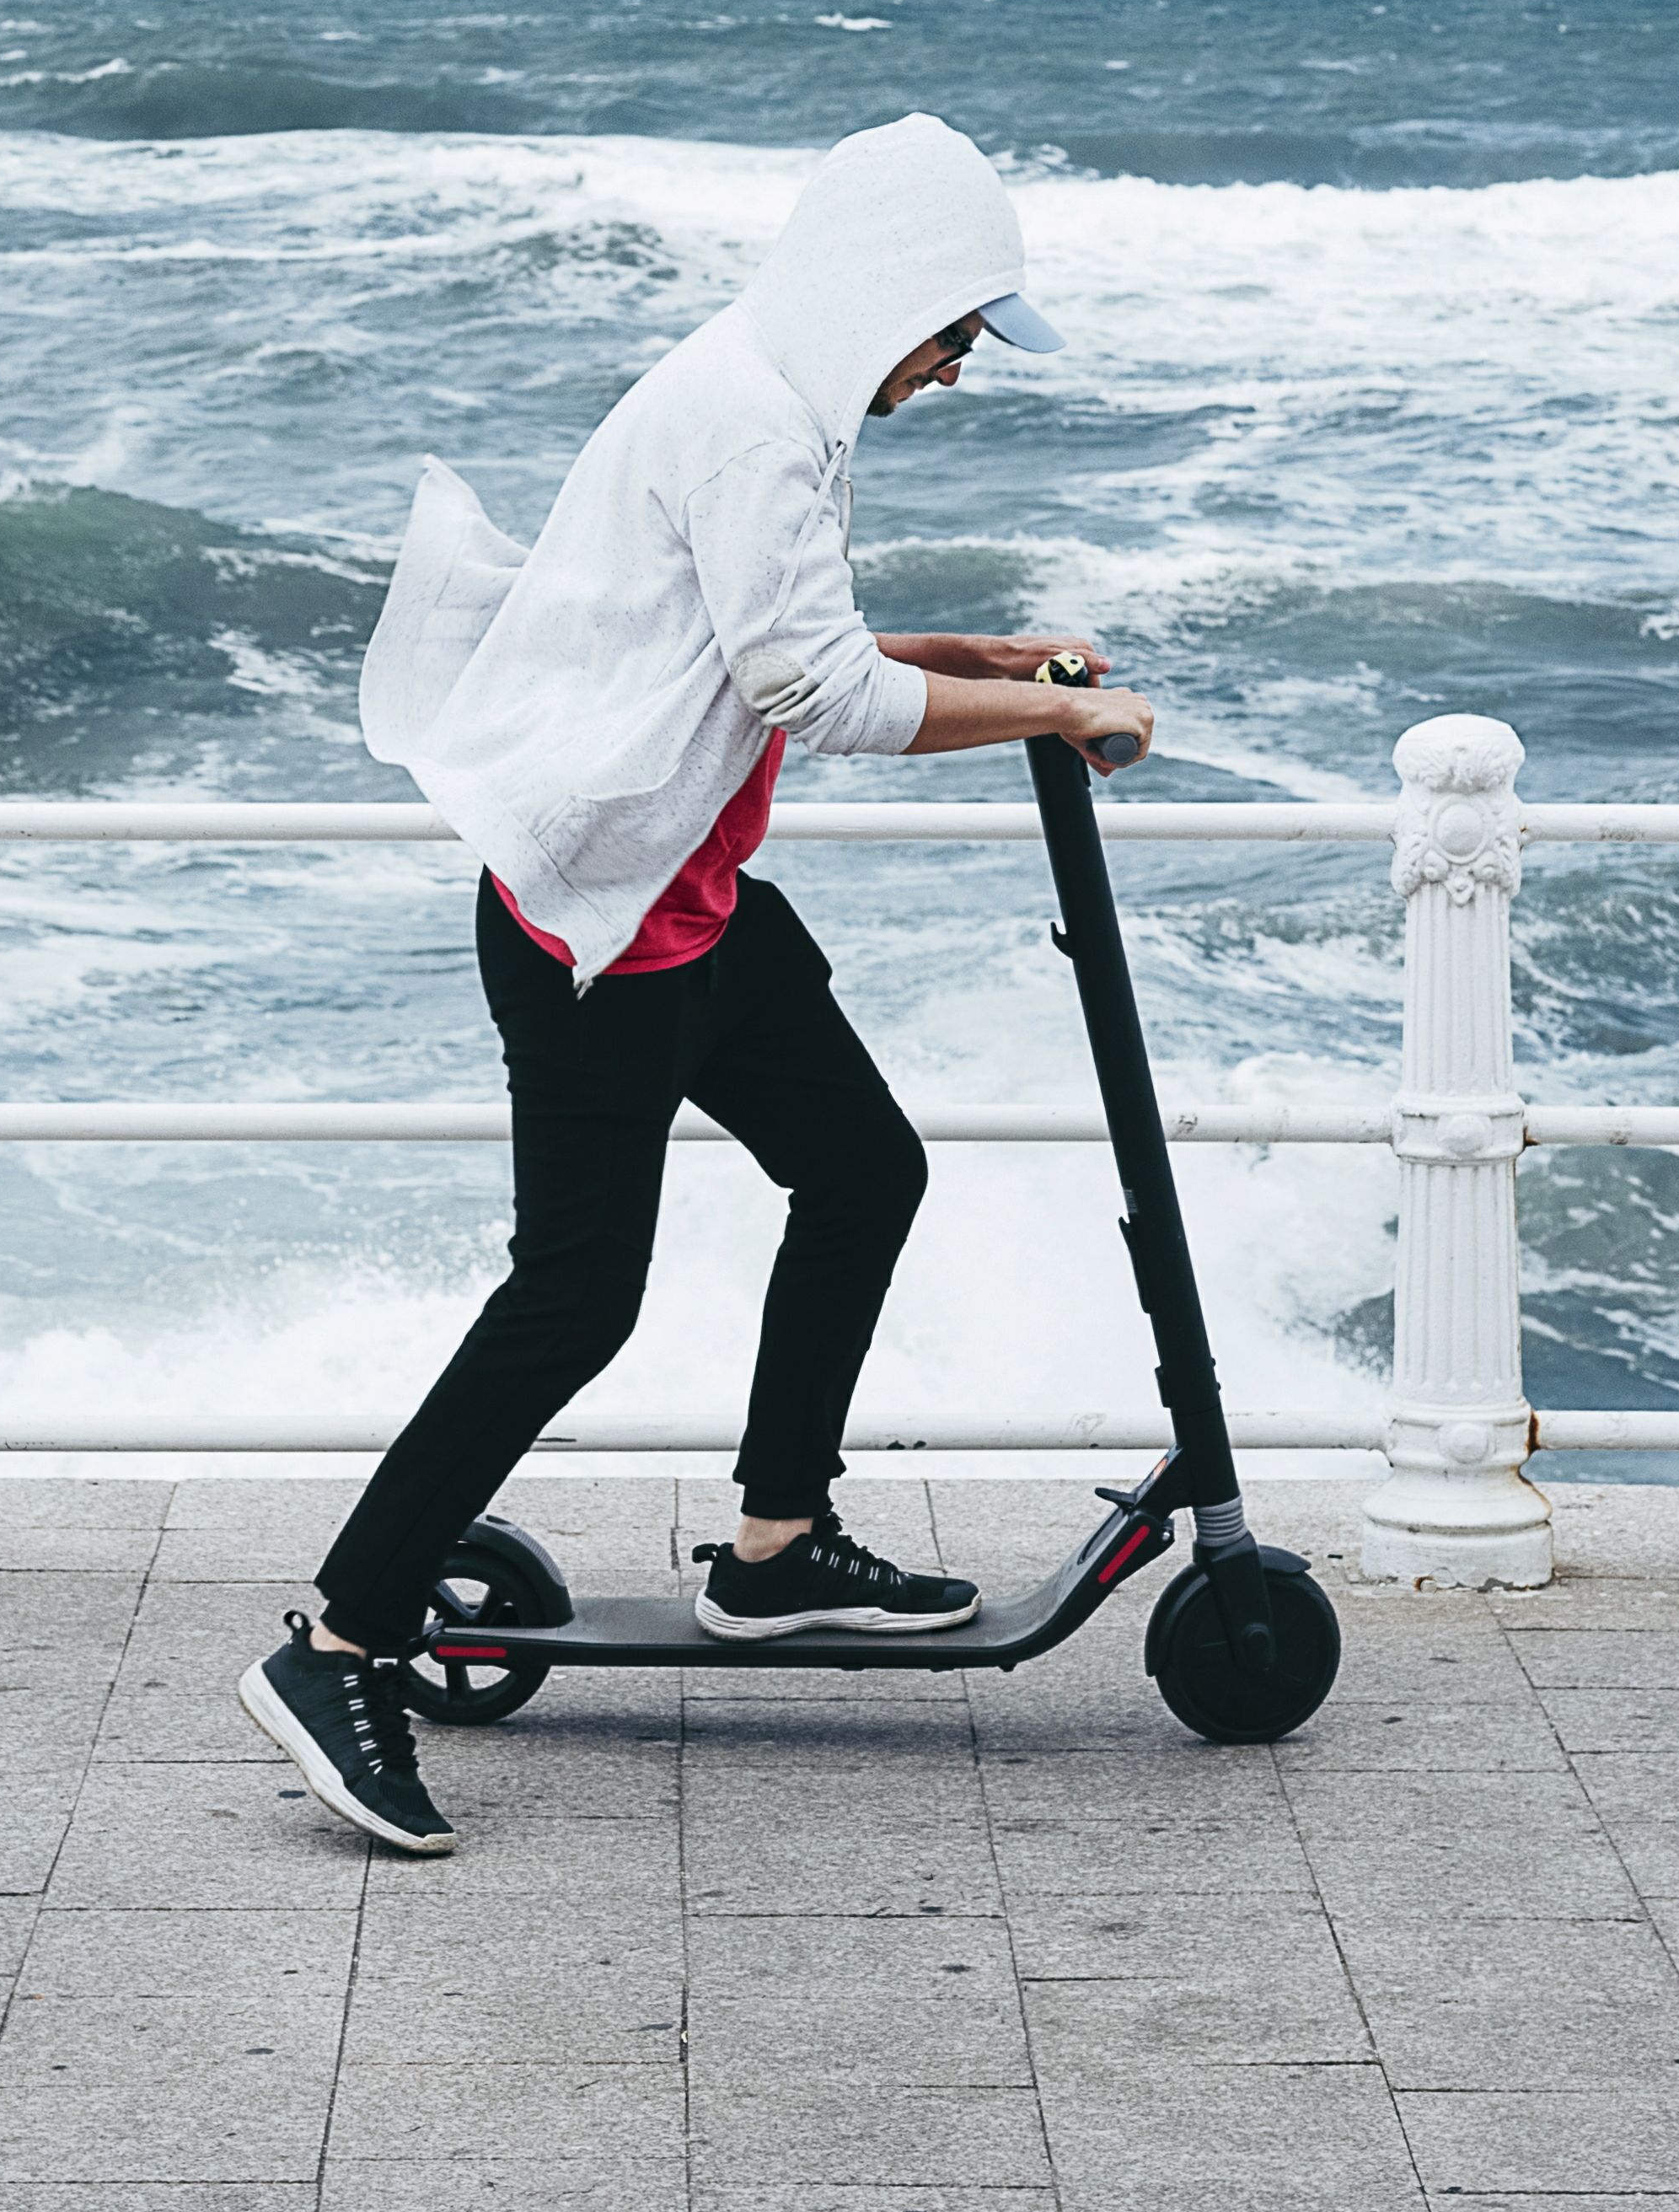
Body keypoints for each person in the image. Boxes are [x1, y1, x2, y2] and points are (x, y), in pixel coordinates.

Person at [239, 113, 1156, 1856]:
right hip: (604, 932)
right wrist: (1055, 711)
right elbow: (813, 695)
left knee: (863, 1168)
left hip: (702, 905)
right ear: (884, 291)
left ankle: (776, 1549)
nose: (960, 366)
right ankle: (339, 1641)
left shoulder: (771, 395)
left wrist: (976, 657)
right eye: (955, 330)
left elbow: (763, 645)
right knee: (575, 1300)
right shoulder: (751, 425)